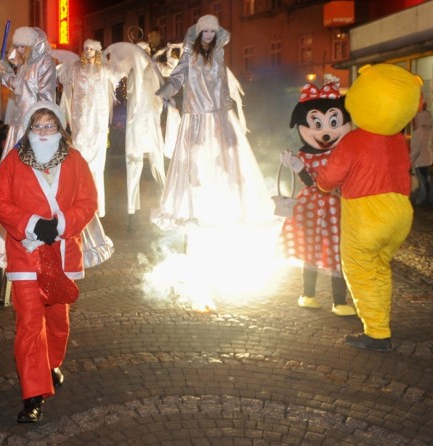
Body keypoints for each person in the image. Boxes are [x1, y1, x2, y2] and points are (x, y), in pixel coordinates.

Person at [0, 100, 97, 423]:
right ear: (29, 130)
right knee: (29, 324)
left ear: (60, 129)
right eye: (38, 125)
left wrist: (61, 224)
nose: (44, 131)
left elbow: (88, 201)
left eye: (50, 125)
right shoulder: (13, 161)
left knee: (58, 320)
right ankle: (33, 394)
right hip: (27, 253)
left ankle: (51, 363)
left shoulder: (76, 161)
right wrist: (33, 224)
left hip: (62, 253)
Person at [317, 63, 422, 352]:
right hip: (400, 213)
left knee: (360, 270)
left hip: (366, 214)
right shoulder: (398, 140)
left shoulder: (354, 140)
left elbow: (332, 176)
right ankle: (380, 324)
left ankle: (377, 334)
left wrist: (321, 185)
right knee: (379, 267)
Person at [151, 14, 272, 230]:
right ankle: (193, 210)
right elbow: (178, 75)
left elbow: (222, 83)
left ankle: (223, 207)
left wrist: (226, 109)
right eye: (205, 31)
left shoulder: (218, 54)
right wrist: (167, 90)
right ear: (198, 34)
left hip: (218, 114)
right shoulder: (189, 55)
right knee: (194, 160)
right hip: (195, 115)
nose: (208, 35)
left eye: (212, 32)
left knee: (223, 158)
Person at [0, 26, 57, 268]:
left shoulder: (45, 63)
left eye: (23, 46)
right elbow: (18, 87)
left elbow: (44, 96)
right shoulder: (24, 66)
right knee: (10, 178)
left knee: (30, 180)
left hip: (33, 129)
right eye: (17, 46)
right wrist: (6, 73)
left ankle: (34, 227)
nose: (19, 50)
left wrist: (37, 130)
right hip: (17, 130)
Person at [280, 81, 356, 317]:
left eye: (333, 123)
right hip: (312, 207)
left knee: (338, 252)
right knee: (310, 249)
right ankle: (308, 294)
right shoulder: (304, 155)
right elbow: (310, 182)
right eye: (317, 124)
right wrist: (298, 167)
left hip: (338, 207)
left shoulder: (343, 151)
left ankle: (339, 301)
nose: (326, 132)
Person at [61, 39, 119, 217]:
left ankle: (96, 205)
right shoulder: (76, 68)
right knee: (79, 161)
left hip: (97, 124)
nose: (87, 51)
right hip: (80, 122)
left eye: (91, 48)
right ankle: (77, 203)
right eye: (85, 48)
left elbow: (116, 79)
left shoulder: (104, 69)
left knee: (96, 166)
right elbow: (65, 81)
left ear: (97, 51)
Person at [410, 102, 432, 206]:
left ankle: (422, 200)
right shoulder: (429, 130)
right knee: (426, 179)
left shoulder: (418, 132)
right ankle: (427, 198)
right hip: (428, 158)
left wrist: (410, 160)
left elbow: (415, 149)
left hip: (420, 160)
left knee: (422, 182)